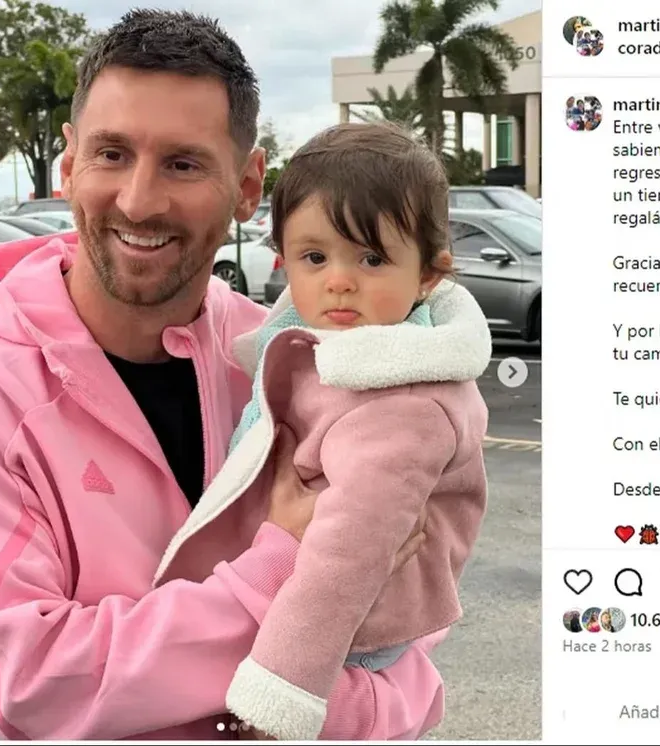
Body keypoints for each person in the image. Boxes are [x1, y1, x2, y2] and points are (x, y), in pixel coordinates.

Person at [0, 10, 452, 741]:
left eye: (183, 164)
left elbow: (406, 642)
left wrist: (319, 711)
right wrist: (283, 567)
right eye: (112, 153)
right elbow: (29, 682)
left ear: (248, 185)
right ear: (69, 163)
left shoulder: (294, 360)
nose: (139, 200)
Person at [152, 122, 490, 739]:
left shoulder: (402, 401)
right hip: (295, 598)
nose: (338, 279)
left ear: (428, 275)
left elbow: (348, 559)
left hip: (344, 635)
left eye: (372, 258)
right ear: (284, 258)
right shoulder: (324, 344)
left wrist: (281, 689)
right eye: (315, 257)